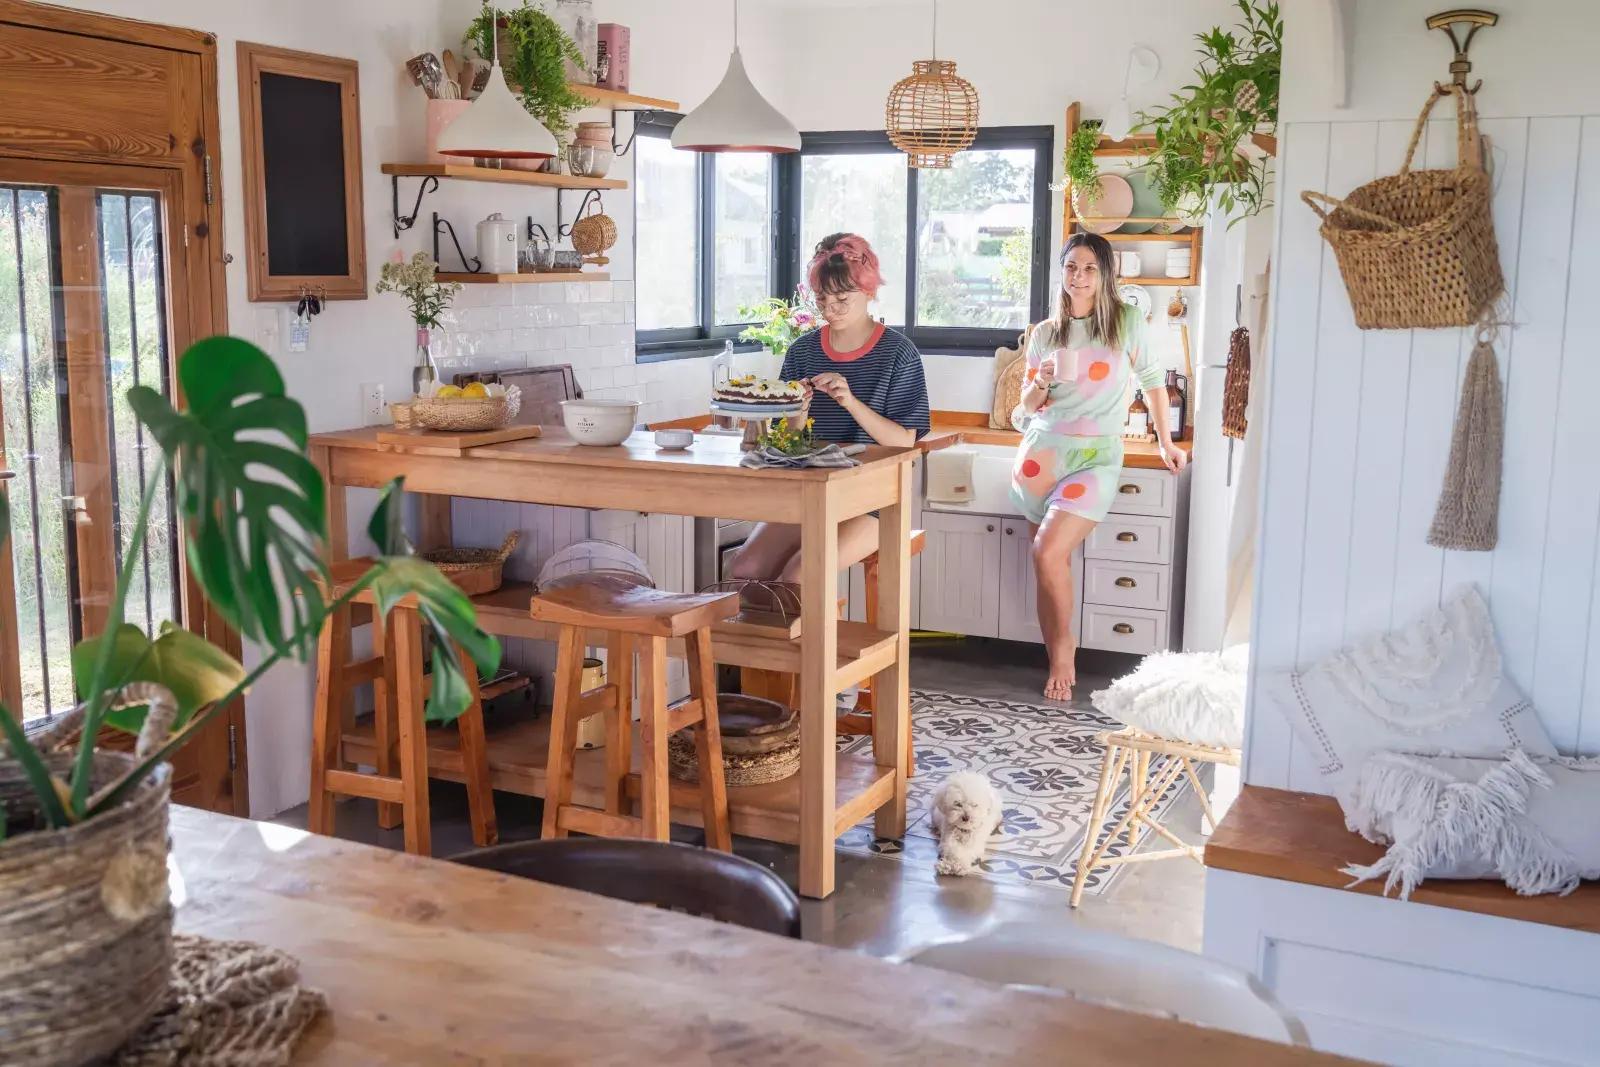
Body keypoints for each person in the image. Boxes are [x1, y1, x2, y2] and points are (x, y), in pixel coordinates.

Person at [1012, 232, 1187, 701]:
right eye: (1072, 267)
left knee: (1047, 553)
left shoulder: (1128, 322)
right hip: (1042, 455)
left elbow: (1151, 381)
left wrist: (1166, 441)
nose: (1079, 277)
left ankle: (1065, 651)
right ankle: (1055, 656)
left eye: (1090, 268)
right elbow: (1026, 406)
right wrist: (1042, 380)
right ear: (1062, 271)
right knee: (1047, 564)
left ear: (1105, 273)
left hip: (1095, 456)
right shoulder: (1046, 333)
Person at [730, 233, 930, 583]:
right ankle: (782, 638)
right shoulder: (802, 351)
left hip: (876, 501)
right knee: (745, 569)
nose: (830, 310)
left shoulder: (899, 353)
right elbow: (787, 441)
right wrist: (798, 413)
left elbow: (904, 442)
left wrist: (851, 402)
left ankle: (813, 638)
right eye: (822, 299)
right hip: (811, 493)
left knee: (799, 573)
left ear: (868, 290)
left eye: (841, 298)